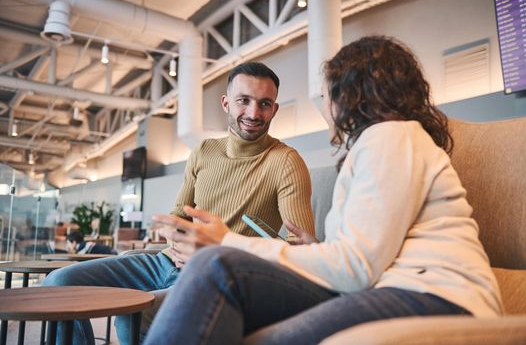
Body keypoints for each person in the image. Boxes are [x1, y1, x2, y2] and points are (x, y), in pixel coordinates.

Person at [144, 36, 503, 345]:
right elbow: (367, 253)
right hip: (397, 286)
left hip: (436, 296)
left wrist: (227, 241)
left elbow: (357, 267)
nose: (326, 107)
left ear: (351, 96)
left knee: (218, 265)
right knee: (221, 275)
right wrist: (322, 251)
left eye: (329, 94)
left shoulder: (391, 136)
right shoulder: (386, 143)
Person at [43, 61, 315, 345]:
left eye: (264, 104)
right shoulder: (204, 150)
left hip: (214, 274)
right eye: (243, 101)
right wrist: (171, 228)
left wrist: (222, 246)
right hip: (167, 261)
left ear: (275, 109)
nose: (253, 112)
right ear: (225, 103)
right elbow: (179, 213)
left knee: (133, 314)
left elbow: (301, 250)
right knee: (58, 284)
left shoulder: (285, 161)